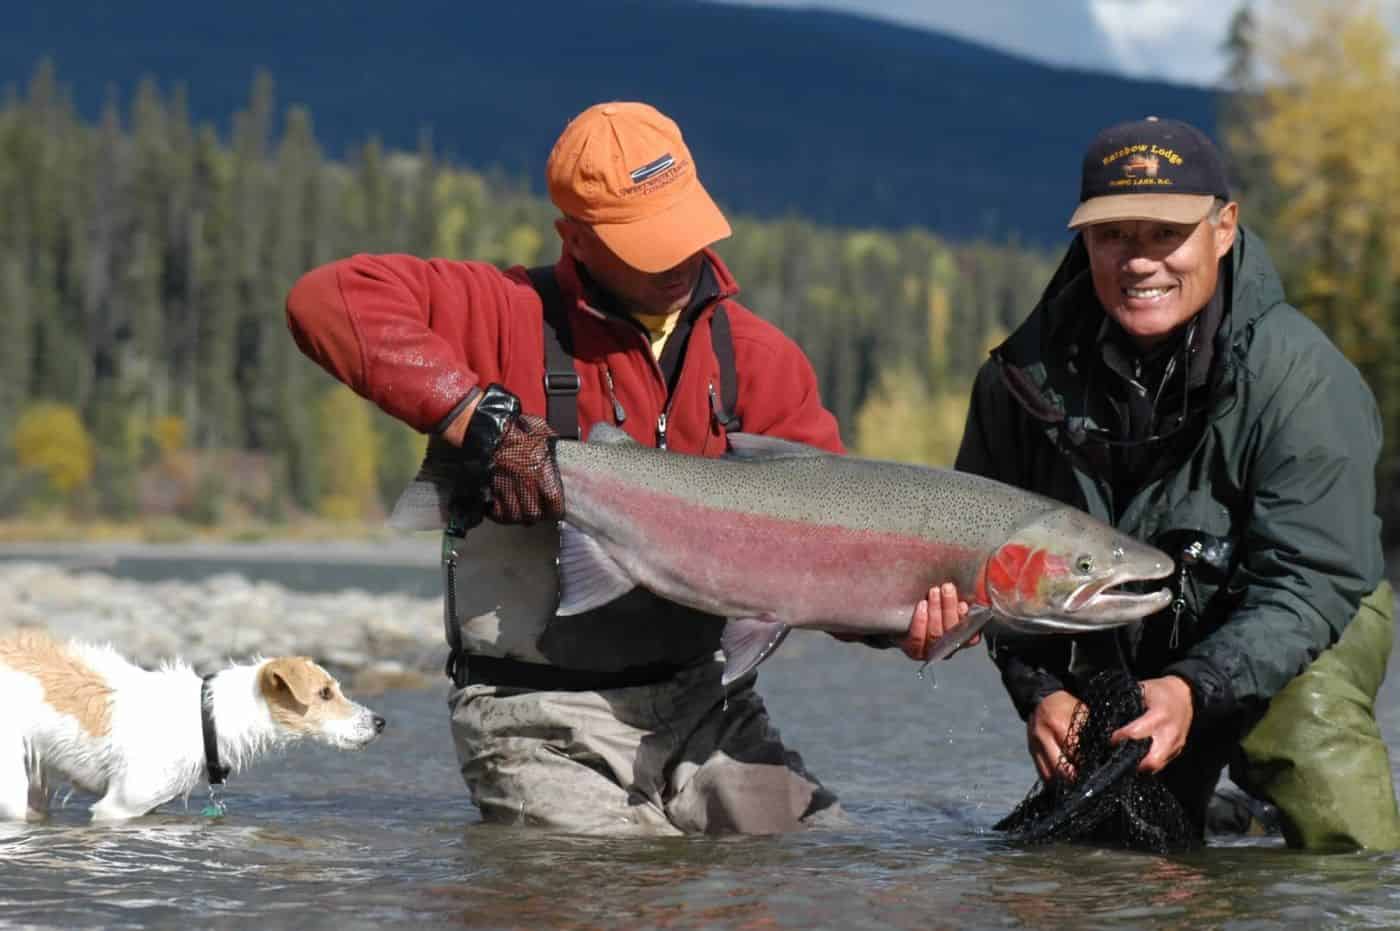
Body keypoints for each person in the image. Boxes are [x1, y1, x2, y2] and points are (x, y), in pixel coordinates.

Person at [285, 101, 965, 835]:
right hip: (534, 716)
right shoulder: (506, 312)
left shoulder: (759, 360)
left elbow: (830, 551)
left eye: (682, 228)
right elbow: (325, 299)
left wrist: (900, 620)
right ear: (574, 236)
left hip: (708, 707)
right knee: (608, 883)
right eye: (647, 242)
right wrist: (483, 425)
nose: (676, 259)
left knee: (822, 863)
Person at [954, 116, 1400, 850]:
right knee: (1112, 852)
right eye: (1113, 235)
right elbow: (989, 563)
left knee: (1302, 732)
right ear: (1085, 241)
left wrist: (1193, 686)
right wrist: (1043, 692)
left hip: (1300, 611)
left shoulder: (1303, 381)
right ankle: (1226, 817)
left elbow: (1313, 579)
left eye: (1166, 234)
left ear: (1223, 230)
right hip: (1129, 622)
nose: (1140, 262)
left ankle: (1356, 885)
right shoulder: (1018, 384)